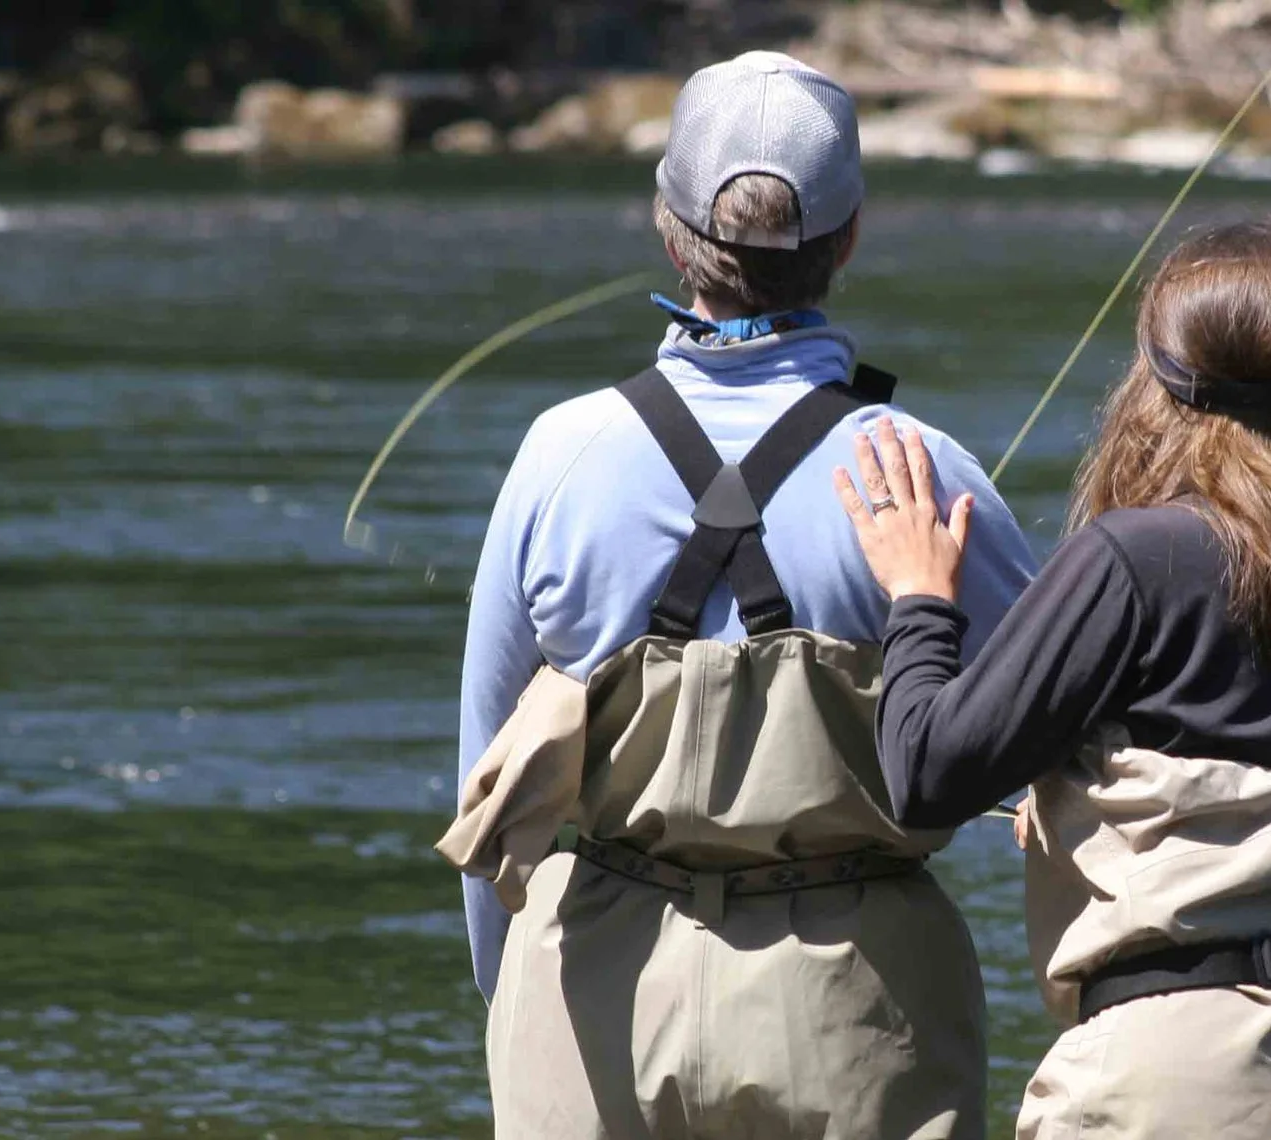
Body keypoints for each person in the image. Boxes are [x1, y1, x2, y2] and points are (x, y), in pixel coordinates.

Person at [435, 51, 1037, 1140]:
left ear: (670, 233)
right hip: (856, 1004)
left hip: (593, 993)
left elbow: (486, 773)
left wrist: (511, 998)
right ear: (848, 240)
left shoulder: (557, 455)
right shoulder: (921, 473)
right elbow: (1063, 746)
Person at [834, 220, 1271, 1138]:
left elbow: (925, 774)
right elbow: (1246, 775)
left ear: (1154, 382)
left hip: (1187, 1072)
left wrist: (919, 595)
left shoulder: (1136, 556)